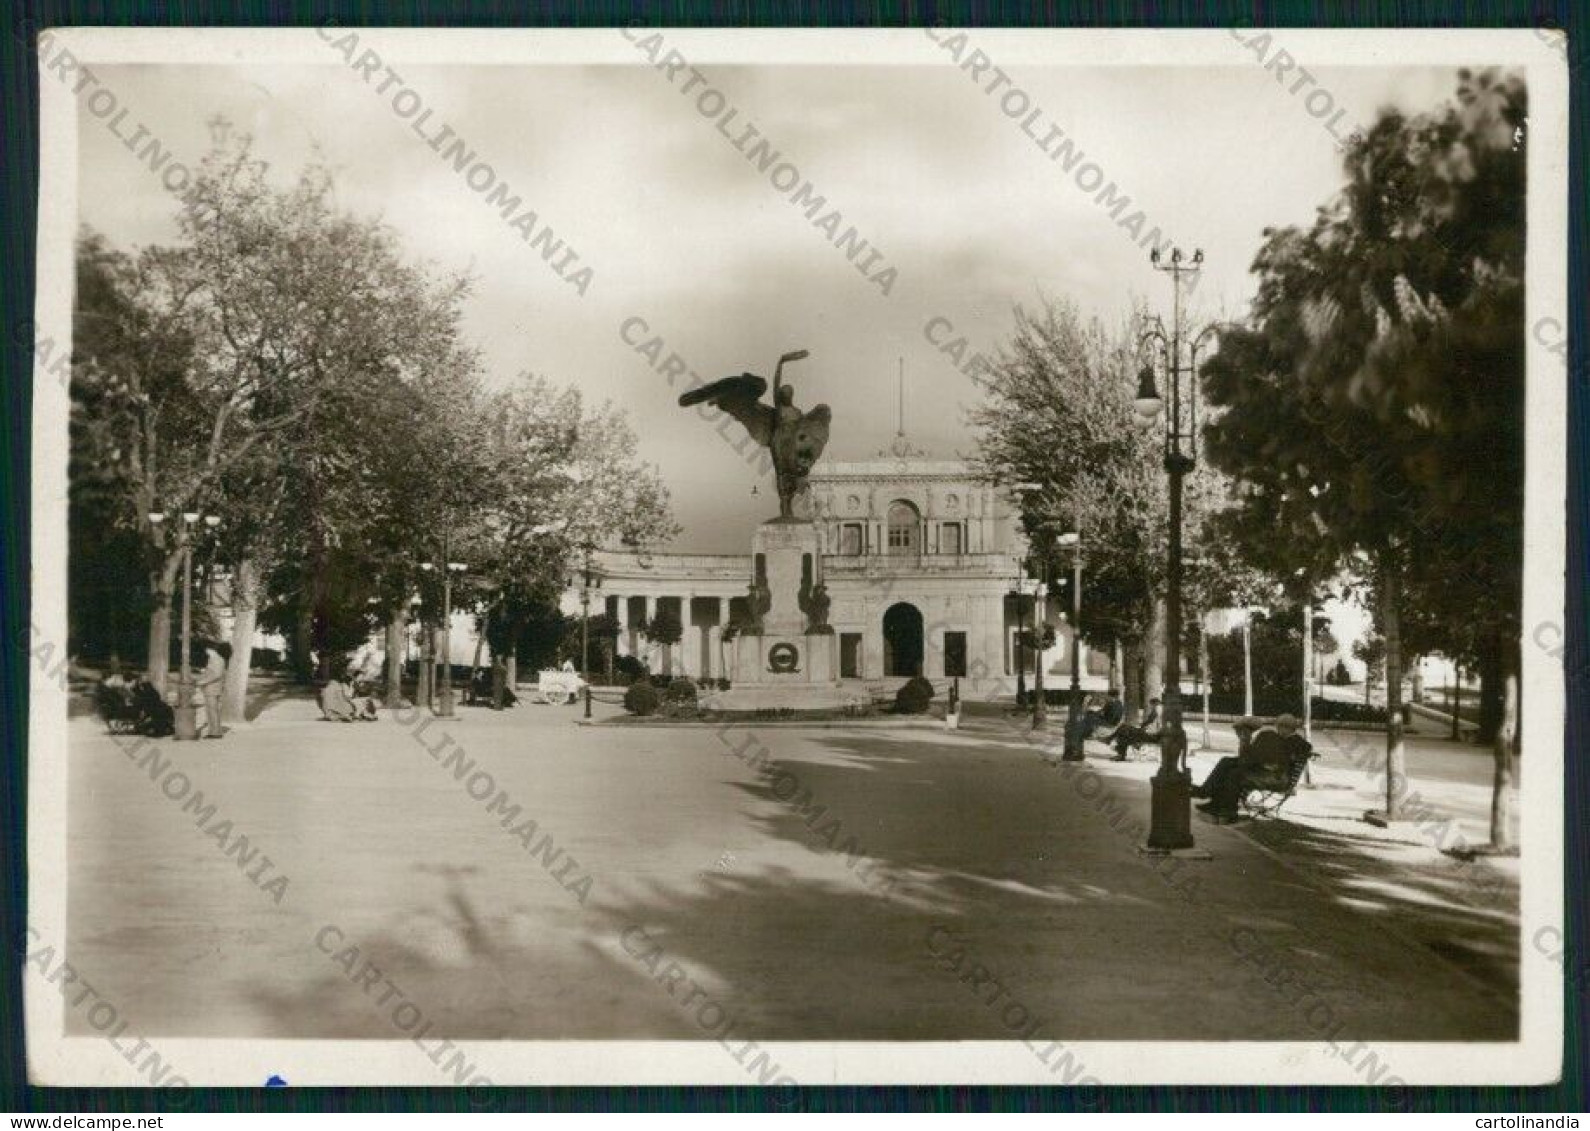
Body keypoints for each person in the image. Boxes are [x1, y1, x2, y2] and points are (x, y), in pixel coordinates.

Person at [1193, 713, 1301, 820]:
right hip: (1262, 768)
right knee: (1226, 761)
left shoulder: (1296, 742)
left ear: (1290, 728)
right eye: (1278, 726)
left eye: (1281, 727)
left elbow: (1279, 760)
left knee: (1235, 773)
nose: (1278, 729)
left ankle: (1228, 809)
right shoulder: (1274, 736)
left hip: (1276, 776)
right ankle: (1209, 796)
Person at [1110, 697, 1162, 761]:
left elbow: (1150, 722)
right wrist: (1142, 727)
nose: (1151, 707)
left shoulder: (1157, 710)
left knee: (1124, 730)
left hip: (1152, 735)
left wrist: (1142, 727)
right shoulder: (1160, 711)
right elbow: (1149, 722)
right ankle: (1120, 753)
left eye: (1151, 705)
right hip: (1151, 734)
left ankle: (1120, 753)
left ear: (1155, 704)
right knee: (1124, 730)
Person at [195, 641, 228, 739]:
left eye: (206, 650)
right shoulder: (214, 659)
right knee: (211, 710)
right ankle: (213, 731)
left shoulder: (216, 659)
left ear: (210, 649)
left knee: (212, 710)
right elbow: (211, 672)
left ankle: (216, 733)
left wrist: (203, 682)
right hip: (211, 688)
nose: (206, 652)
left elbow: (216, 674)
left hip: (213, 688)